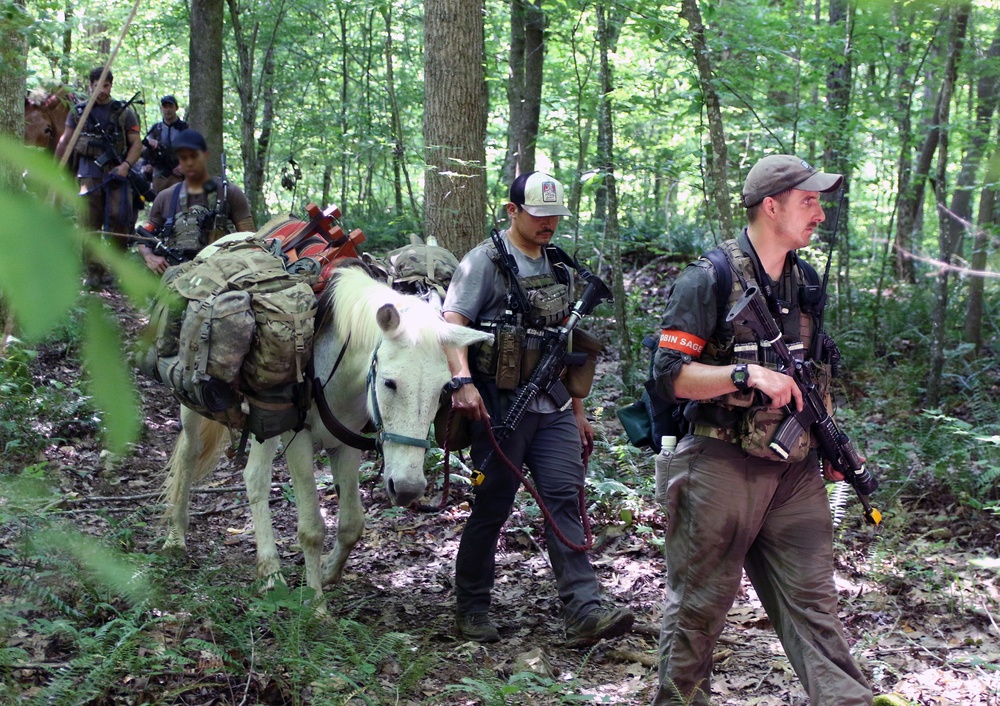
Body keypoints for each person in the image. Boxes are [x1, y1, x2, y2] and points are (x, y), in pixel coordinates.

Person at [650, 155, 874, 705]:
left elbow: (810, 375)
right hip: (720, 464)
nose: (820, 213)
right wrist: (744, 374)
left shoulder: (806, 283)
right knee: (699, 610)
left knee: (815, 605)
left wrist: (829, 445)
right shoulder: (710, 278)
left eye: (820, 201)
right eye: (809, 201)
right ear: (771, 207)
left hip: (794, 469)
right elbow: (668, 376)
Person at [443, 171, 634, 647]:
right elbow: (451, 324)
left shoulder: (560, 266)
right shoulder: (483, 262)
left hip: (552, 407)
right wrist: (462, 382)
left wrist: (579, 411)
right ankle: (471, 608)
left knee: (563, 498)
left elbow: (568, 345)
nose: (548, 223)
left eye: (554, 216)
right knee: (491, 507)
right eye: (538, 214)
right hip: (497, 405)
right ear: (512, 211)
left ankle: (585, 610)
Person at [137, 130, 255, 274]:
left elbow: (251, 239)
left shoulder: (228, 193)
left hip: (220, 273)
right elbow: (144, 238)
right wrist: (149, 257)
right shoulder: (166, 197)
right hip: (175, 272)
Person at [55, 66, 142, 244]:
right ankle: (93, 269)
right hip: (88, 174)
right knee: (89, 221)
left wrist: (126, 166)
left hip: (117, 174)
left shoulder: (124, 113)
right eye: (97, 86)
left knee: (120, 217)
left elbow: (136, 143)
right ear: (90, 86)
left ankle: (117, 266)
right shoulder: (79, 112)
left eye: (106, 86)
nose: (101, 91)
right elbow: (65, 141)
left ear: (111, 86)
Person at [141, 95, 189, 194]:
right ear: (161, 108)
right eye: (165, 107)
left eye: (170, 106)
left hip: (178, 175)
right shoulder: (156, 129)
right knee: (160, 204)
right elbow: (143, 150)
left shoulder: (185, 128)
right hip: (159, 174)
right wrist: (147, 164)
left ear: (176, 108)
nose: (167, 110)